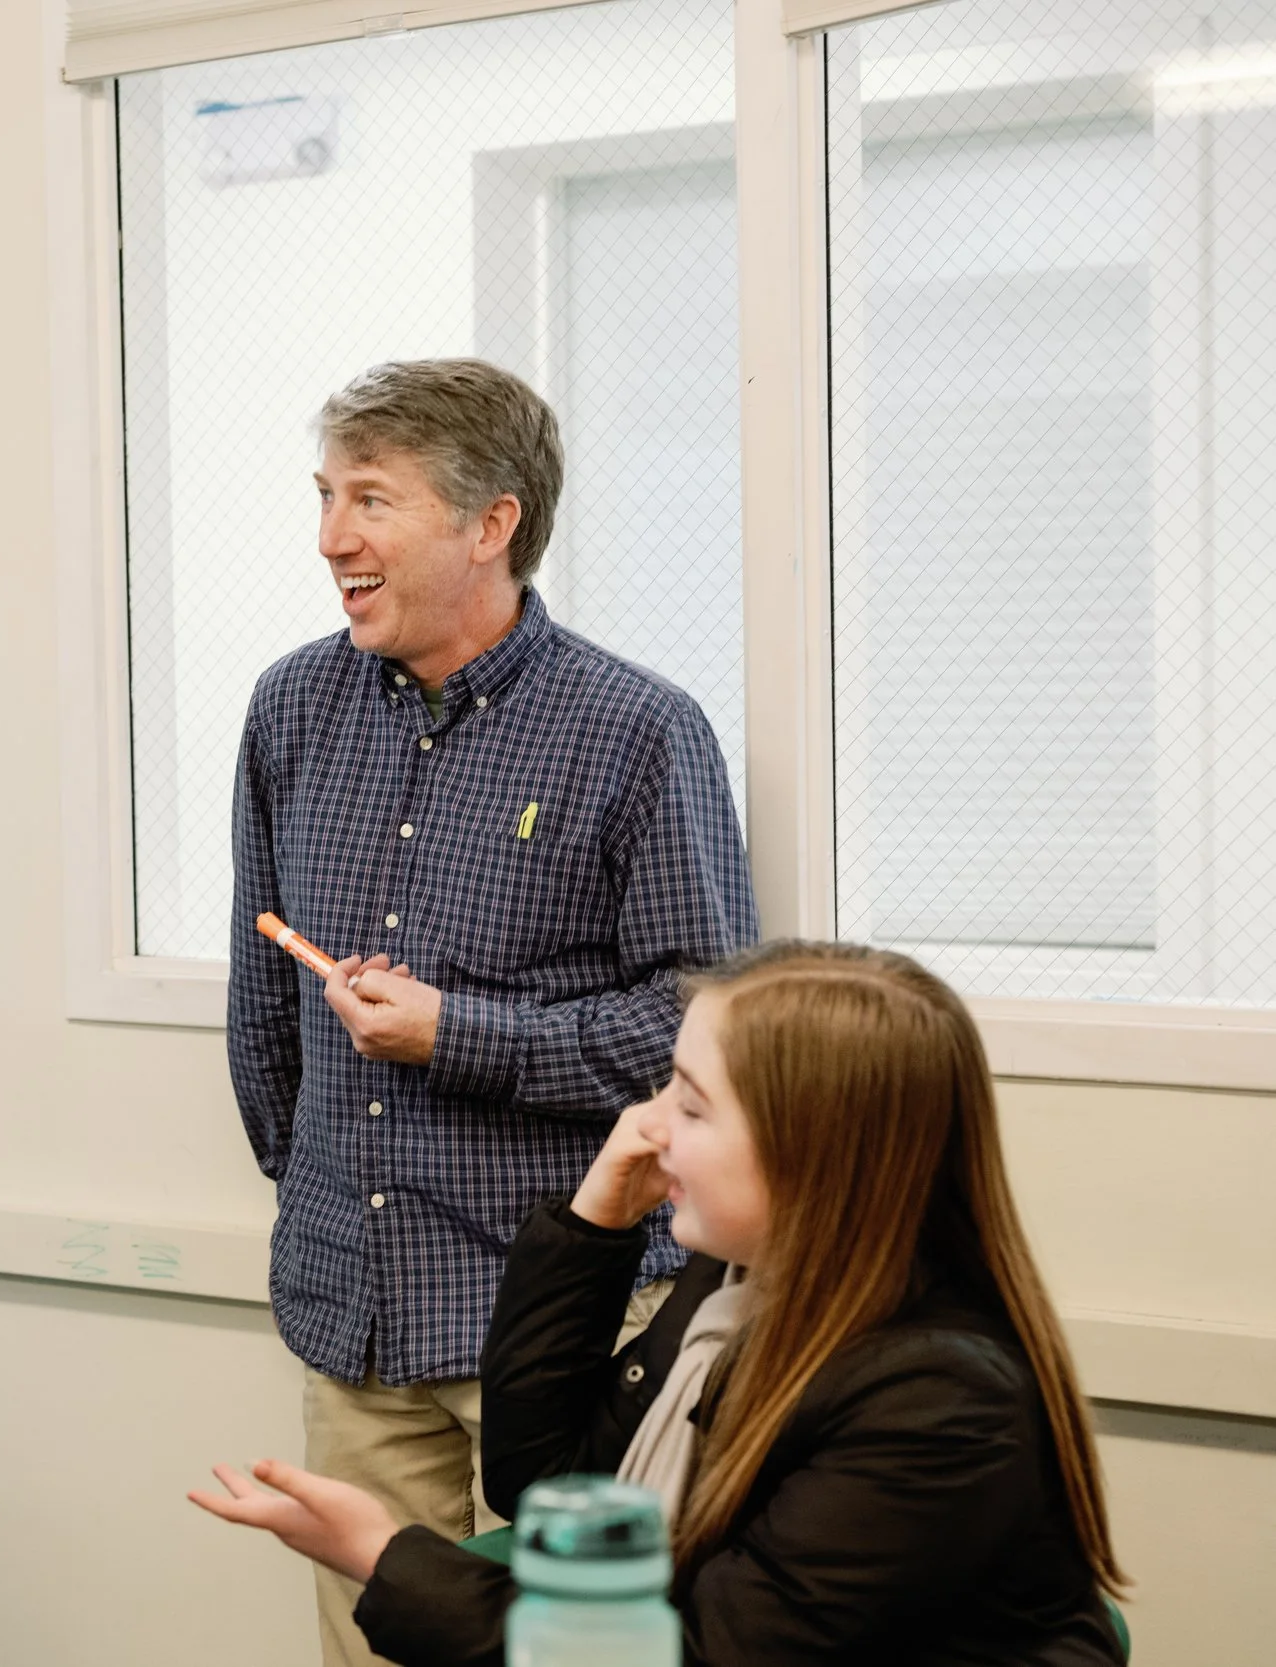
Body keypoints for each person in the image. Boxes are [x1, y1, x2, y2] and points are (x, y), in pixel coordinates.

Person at [227, 357, 756, 1664]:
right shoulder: (289, 707)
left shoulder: (637, 731)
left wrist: (457, 1035)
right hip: (354, 1320)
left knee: (568, 1653)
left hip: (568, 1328)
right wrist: (319, 1192)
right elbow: (263, 1017)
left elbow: (707, 1033)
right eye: (324, 495)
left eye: (370, 499)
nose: (331, 536)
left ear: (491, 523)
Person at [194, 941, 1130, 1666]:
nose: (646, 1128)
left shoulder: (934, 1400)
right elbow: (546, 1482)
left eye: (689, 1103)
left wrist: (385, 1553)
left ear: (810, 1148)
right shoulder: (739, 1283)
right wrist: (594, 1220)